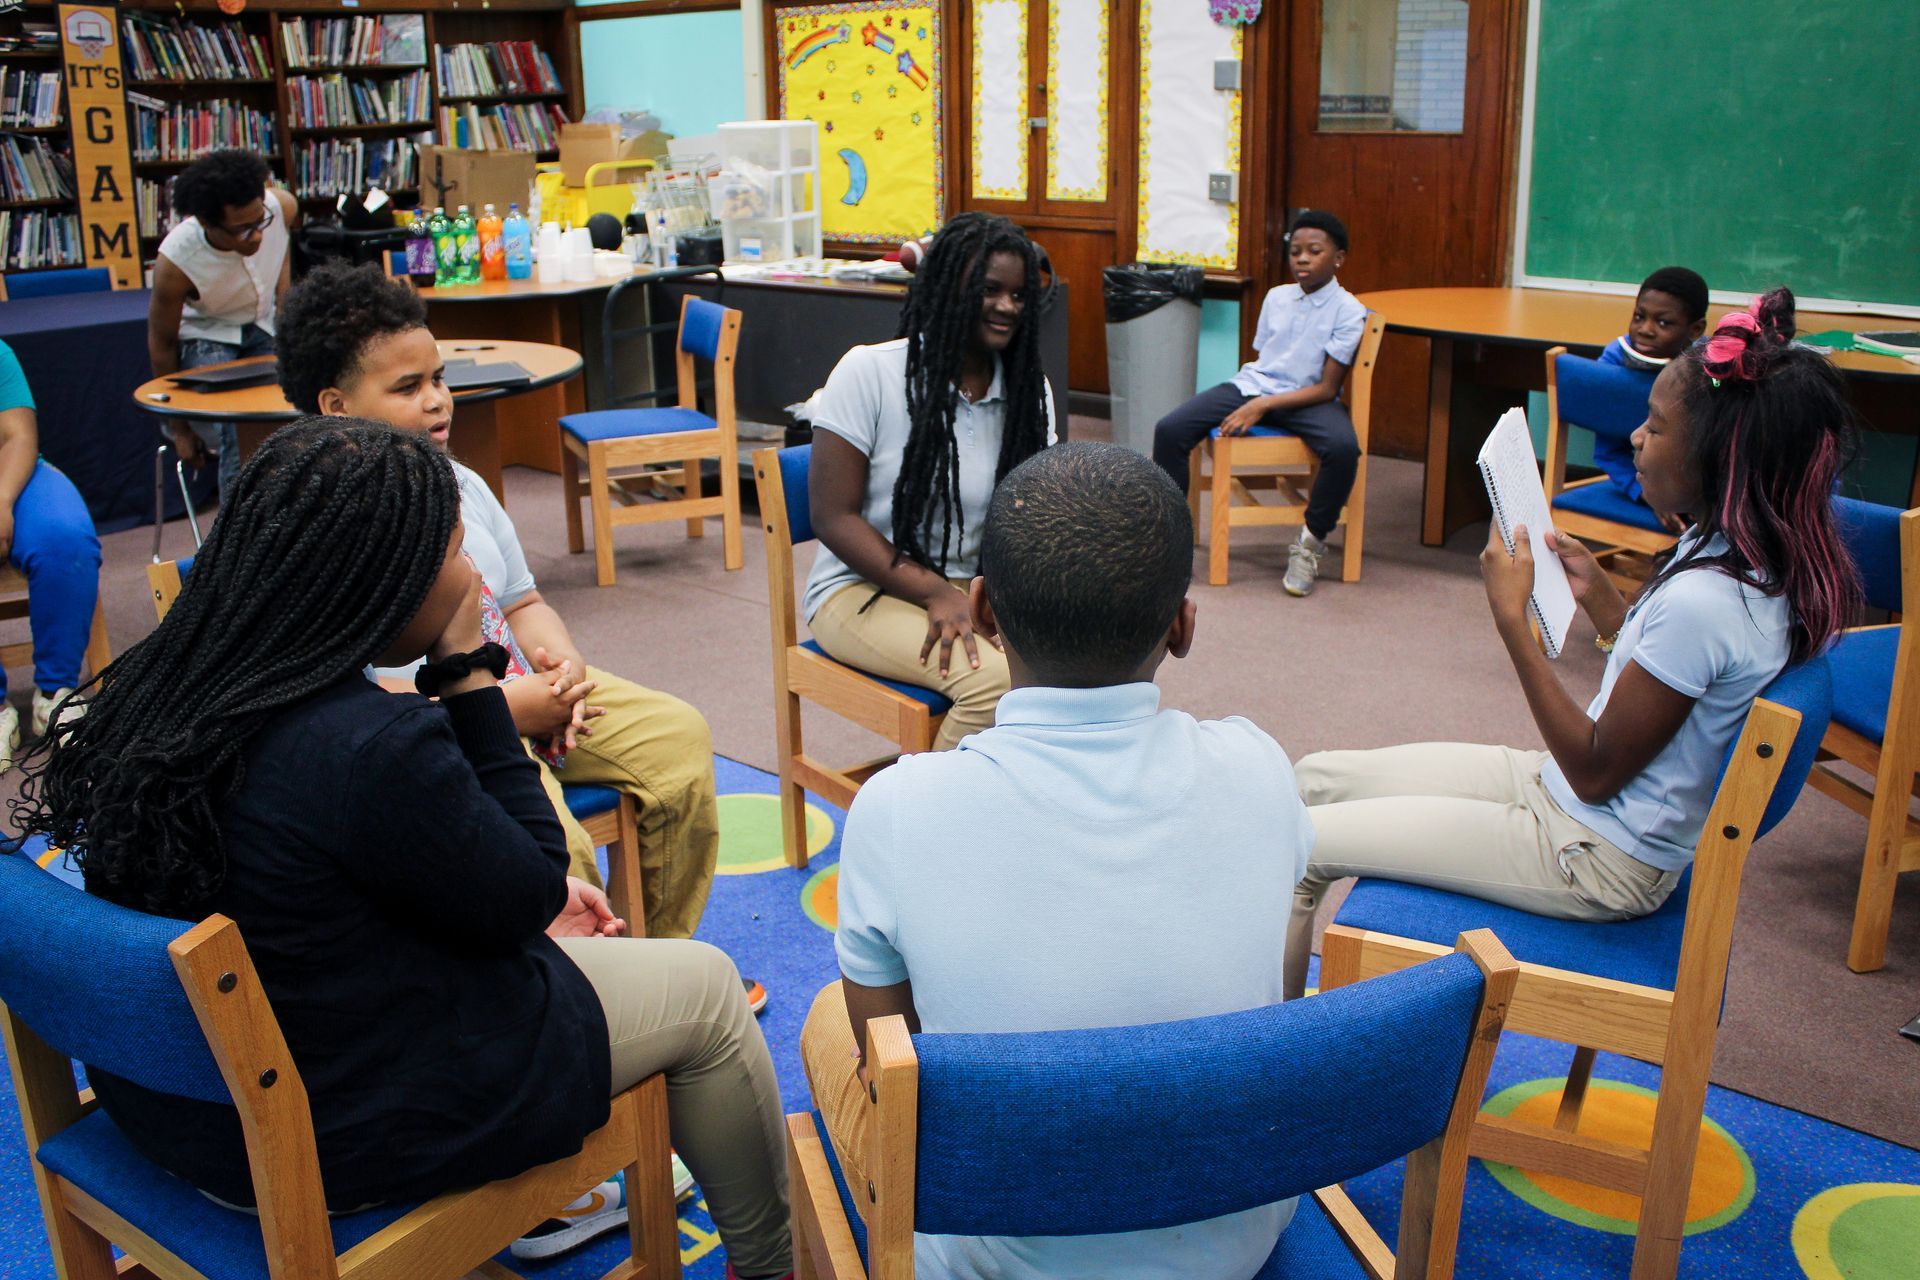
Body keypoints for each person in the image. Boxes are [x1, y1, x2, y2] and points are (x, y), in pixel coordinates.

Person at [9, 421, 792, 1279]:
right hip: (321, 1137)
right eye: (455, 554)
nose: (469, 576)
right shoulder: (369, 746)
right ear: (383, 585)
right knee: (708, 991)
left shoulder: (160, 686)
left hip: (165, 1109)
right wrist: (467, 675)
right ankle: (775, 1264)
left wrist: (520, 910)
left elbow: (319, 878)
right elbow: (529, 887)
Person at [803, 442, 1315, 1278]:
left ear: (984, 612)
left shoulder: (898, 809)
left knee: (831, 1013)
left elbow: (890, 1064)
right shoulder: (1260, 766)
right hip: (1237, 1234)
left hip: (993, 1253)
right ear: (1182, 627)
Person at [1283, 288, 1860, 999]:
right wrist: (1607, 605)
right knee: (1310, 776)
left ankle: (1266, 1055)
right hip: (1568, 800)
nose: (1636, 441)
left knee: (1294, 847)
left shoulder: (1706, 602)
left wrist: (1512, 624)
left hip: (1595, 854)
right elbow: (1684, 692)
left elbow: (1595, 770)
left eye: (1654, 426)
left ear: (1718, 458)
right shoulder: (1734, 553)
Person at [273, 263, 725, 950]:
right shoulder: (322, 522)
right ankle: (578, 992)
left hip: (526, 689)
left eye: (439, 379)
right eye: (408, 388)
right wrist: (515, 709)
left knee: (679, 737)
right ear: (335, 406)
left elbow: (524, 601)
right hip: (437, 728)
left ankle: (661, 954)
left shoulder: (462, 482)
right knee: (553, 841)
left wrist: (564, 672)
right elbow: (359, 709)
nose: (438, 403)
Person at [806, 211, 1056, 751]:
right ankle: (924, 825)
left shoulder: (1028, 394)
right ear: (950, 286)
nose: (1007, 307)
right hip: (859, 590)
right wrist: (936, 591)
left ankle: (1017, 815)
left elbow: (1041, 513)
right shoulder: (869, 373)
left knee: (1081, 671)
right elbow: (832, 516)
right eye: (990, 290)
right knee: (995, 687)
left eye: (1019, 296)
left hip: (978, 589)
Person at [1151, 209, 1367, 597]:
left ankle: (1310, 542)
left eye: (1314, 251)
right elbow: (1265, 361)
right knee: (1170, 429)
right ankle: (1168, 543)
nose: (1301, 258)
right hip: (1256, 384)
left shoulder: (1349, 310)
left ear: (1338, 258)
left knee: (1343, 449)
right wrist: (1255, 398)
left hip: (1310, 400)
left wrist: (1262, 407)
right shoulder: (1277, 297)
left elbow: (1326, 387)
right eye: (1295, 251)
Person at [147, 149, 299, 499]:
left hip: (262, 326)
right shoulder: (176, 261)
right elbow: (162, 342)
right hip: (207, 333)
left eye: (259, 221)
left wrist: (284, 299)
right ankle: (238, 528)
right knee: (238, 419)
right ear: (206, 223)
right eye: (242, 230)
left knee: (308, 395)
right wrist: (179, 429)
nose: (257, 236)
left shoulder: (281, 208)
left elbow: (283, 242)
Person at [0, 341, 103, 767]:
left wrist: (2, 501)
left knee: (66, 540)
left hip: (10, 474)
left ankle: (54, 693)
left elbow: (18, 435)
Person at [1592, 266, 1710, 532]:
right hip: (1639, 482)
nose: (1645, 330)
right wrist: (1645, 492)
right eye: (1638, 316)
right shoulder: (1611, 365)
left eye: (1663, 322)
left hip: (1697, 487)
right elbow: (1607, 452)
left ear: (1696, 329)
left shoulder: (1709, 366)